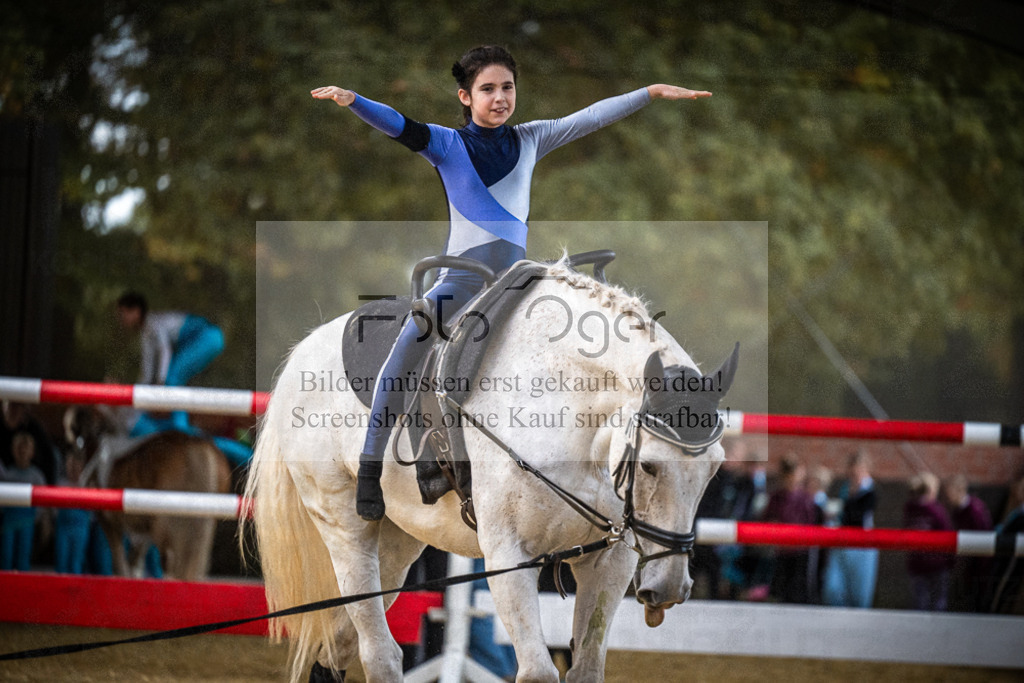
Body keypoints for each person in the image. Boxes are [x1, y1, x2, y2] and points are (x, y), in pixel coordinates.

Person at [312, 45, 712, 521]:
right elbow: (400, 124)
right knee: (408, 344)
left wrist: (649, 92)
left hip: (518, 285)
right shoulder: (446, 144)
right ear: (465, 96)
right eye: (488, 89)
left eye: (507, 87)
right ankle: (370, 463)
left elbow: (591, 117)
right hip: (462, 282)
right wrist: (354, 100)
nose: (500, 97)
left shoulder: (532, 138)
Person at [115, 291, 225, 434]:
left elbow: (165, 350)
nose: (121, 319)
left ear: (136, 311)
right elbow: (147, 371)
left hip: (209, 337)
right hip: (210, 339)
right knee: (173, 379)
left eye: (123, 313)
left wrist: (161, 381)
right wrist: (137, 397)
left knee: (172, 377)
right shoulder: (145, 333)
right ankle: (180, 426)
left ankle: (181, 429)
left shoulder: (153, 323)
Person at [822, 450, 878, 608]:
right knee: (834, 587)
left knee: (859, 592)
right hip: (842, 541)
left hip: (861, 545)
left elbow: (858, 515)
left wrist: (848, 502)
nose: (855, 474)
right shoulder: (845, 488)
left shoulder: (870, 492)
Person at [763, 453, 818, 603]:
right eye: (788, 475)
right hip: (781, 551)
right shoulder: (776, 498)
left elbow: (811, 523)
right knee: (779, 592)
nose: (791, 479)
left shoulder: (806, 498)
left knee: (797, 593)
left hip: (800, 552)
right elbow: (767, 519)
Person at [903, 472, 954, 610]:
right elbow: (947, 534)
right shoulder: (936, 510)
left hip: (919, 563)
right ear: (932, 491)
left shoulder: (910, 509)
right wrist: (950, 561)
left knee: (921, 601)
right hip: (935, 564)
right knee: (936, 602)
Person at [942, 474, 993, 612]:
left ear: (959, 490)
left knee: (978, 596)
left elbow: (984, 536)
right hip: (967, 559)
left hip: (979, 562)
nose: (947, 496)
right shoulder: (958, 510)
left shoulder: (975, 510)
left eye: (949, 492)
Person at [1, 431, 47, 570]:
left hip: (27, 522)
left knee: (23, 558)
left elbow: (43, 501)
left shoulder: (36, 476)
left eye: (25, 448)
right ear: (13, 450)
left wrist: (38, 519)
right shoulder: (7, 474)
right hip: (8, 523)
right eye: (19, 448)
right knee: (6, 557)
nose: (22, 451)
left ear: (32, 452)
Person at [54, 451, 92, 574]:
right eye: (70, 465)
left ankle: (76, 585)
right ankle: (60, 585)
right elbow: (53, 509)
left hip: (80, 528)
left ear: (82, 467)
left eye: (77, 465)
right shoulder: (61, 484)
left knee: (76, 561)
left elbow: (93, 510)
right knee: (61, 560)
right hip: (63, 527)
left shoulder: (87, 485)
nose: (74, 469)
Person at [990, 476, 1024, 614]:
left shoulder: (1021, 516)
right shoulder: (1017, 511)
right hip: (1003, 559)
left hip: (1011, 563)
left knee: (1004, 592)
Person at [805, 464, 834, 603]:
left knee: (816, 574)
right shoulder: (812, 500)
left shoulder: (819, 501)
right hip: (812, 544)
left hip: (818, 545)